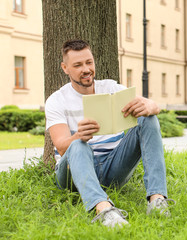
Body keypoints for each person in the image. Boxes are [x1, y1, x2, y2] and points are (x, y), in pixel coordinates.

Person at [45, 39, 174, 228]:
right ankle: (103, 209)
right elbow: (62, 147)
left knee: (149, 118)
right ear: (65, 68)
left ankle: (157, 200)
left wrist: (150, 106)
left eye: (89, 62)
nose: (86, 69)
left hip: (113, 166)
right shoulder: (57, 100)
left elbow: (153, 106)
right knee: (77, 145)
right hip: (73, 174)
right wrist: (77, 135)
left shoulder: (112, 88)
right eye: (78, 65)